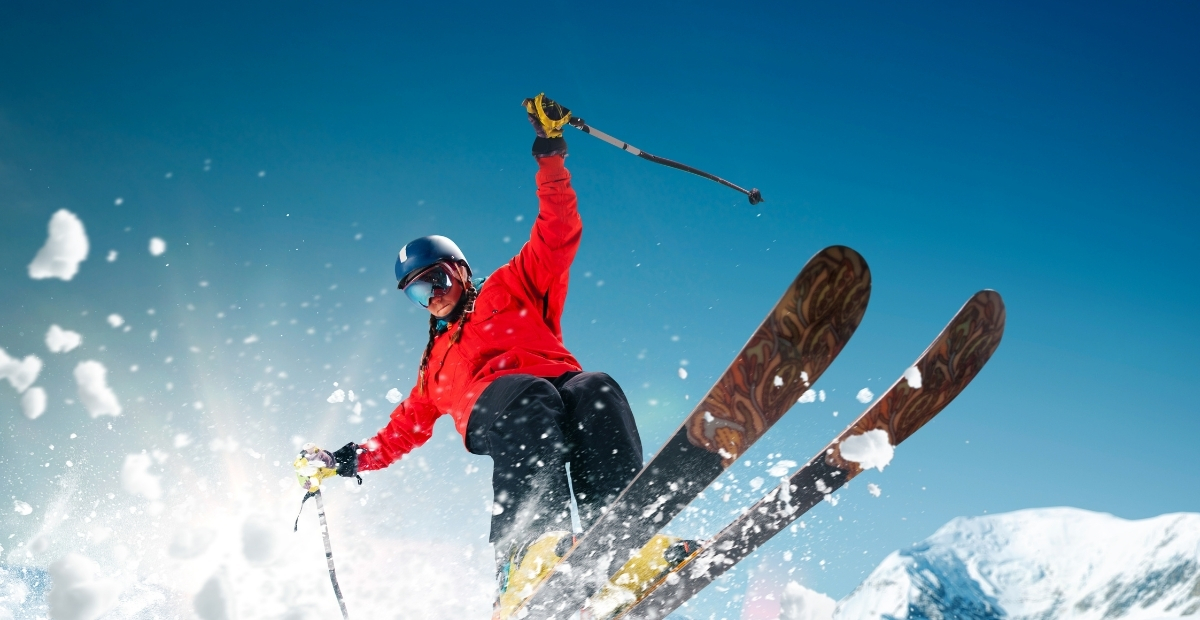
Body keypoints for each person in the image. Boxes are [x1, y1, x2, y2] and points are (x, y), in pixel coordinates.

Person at [320, 94, 647, 618]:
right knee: (530, 396)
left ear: (462, 270)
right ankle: (526, 554)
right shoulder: (435, 368)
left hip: (556, 386)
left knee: (596, 388)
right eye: (418, 295)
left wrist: (550, 153)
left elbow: (558, 230)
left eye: (438, 281)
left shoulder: (512, 286)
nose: (434, 298)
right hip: (504, 409)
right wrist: (345, 459)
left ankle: (625, 542)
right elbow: (400, 431)